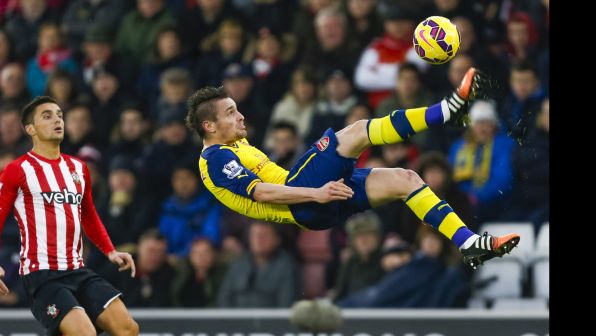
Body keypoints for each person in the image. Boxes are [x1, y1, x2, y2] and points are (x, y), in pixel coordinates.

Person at [187, 68, 519, 269]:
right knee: (357, 131)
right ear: (209, 126)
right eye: (230, 113)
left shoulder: (233, 145)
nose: (240, 115)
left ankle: (468, 244)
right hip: (305, 202)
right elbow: (260, 191)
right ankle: (447, 110)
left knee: (406, 180)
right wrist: (315, 193)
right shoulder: (216, 159)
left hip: (315, 208)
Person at [0, 96, 150, 336]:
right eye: (47, 116)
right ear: (30, 129)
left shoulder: (78, 168)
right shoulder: (17, 170)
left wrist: (110, 251)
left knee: (127, 328)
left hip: (78, 268)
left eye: (60, 114)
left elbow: (88, 215)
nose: (57, 120)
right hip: (42, 274)